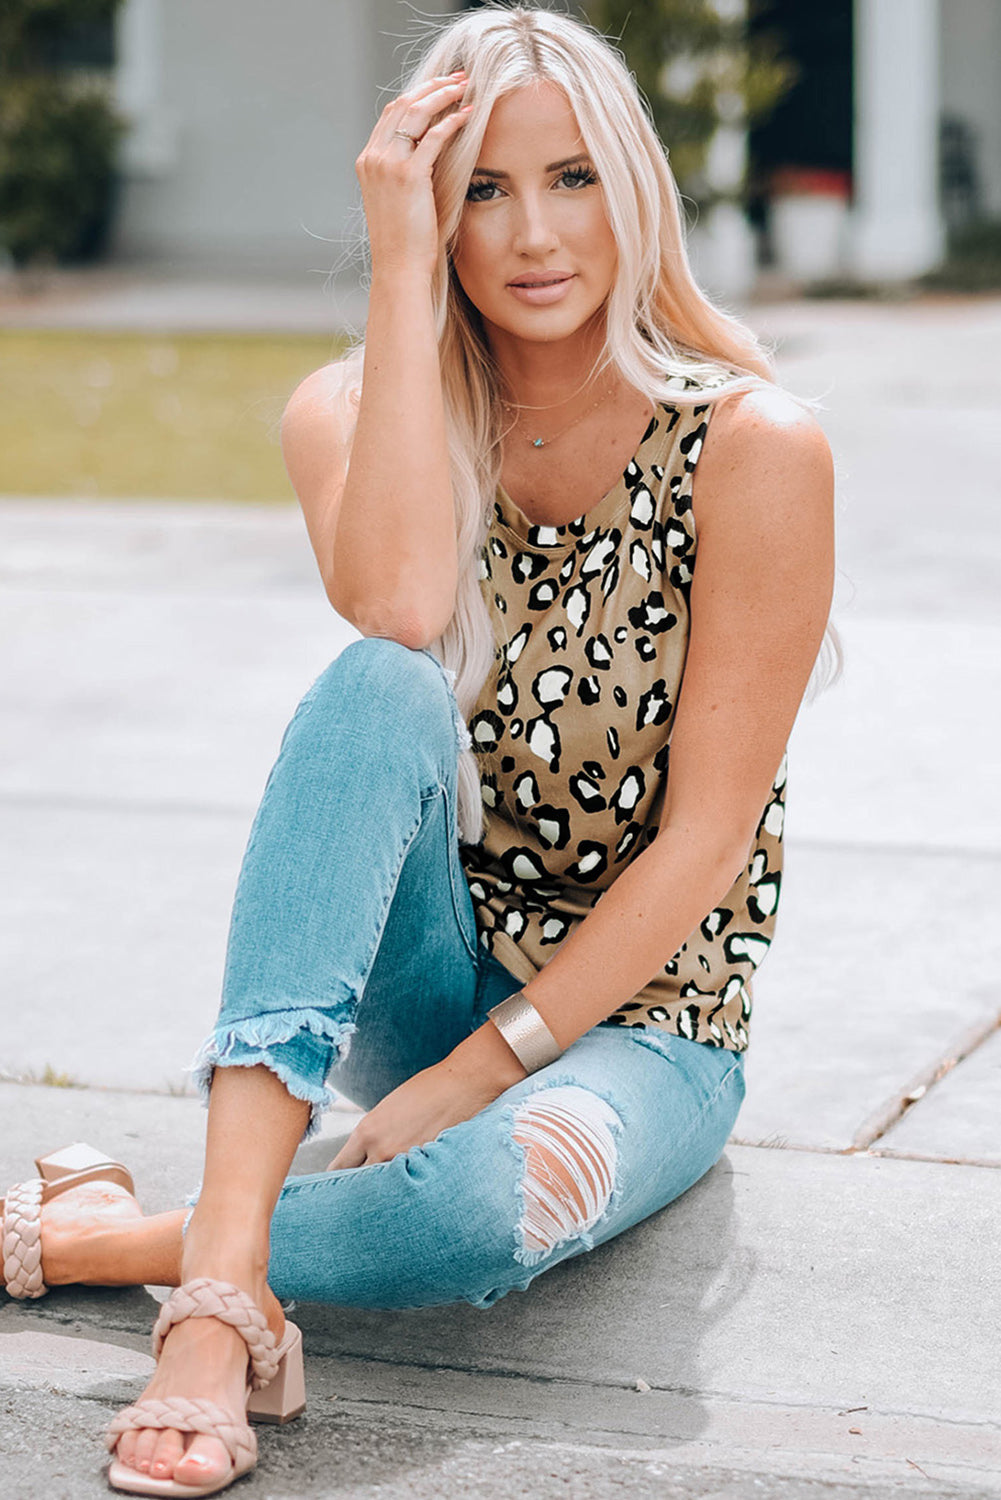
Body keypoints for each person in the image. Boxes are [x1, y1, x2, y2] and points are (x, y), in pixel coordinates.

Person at [1, 5, 836, 1495]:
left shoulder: (752, 448)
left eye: (572, 177)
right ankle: (213, 1326)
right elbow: (394, 609)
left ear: (634, 189)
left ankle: (138, 1237)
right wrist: (396, 267)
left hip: (647, 1025)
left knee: (458, 1222)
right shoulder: (347, 413)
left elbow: (706, 842)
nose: (532, 233)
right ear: (430, 213)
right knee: (378, 685)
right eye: (479, 192)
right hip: (429, 972)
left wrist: (474, 1079)